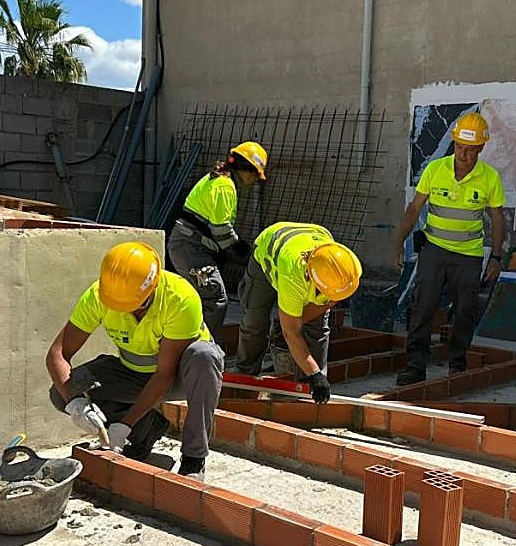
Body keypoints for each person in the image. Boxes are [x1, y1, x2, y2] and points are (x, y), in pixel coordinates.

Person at [46, 242, 224, 481]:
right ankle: (145, 429)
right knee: (61, 393)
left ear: (152, 288)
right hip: (135, 373)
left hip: (179, 377)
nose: (126, 312)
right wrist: (75, 403)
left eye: (132, 306)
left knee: (205, 356)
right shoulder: (100, 295)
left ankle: (194, 457)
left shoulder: (180, 298)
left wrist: (124, 425)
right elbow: (57, 354)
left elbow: (164, 376)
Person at [393, 110, 505, 386]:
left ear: (481, 148)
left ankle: (457, 365)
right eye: (459, 147)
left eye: (470, 149)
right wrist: (398, 243)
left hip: (468, 255)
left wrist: (496, 257)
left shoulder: (490, 178)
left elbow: (497, 218)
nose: (463, 154)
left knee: (465, 311)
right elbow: (414, 208)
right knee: (423, 307)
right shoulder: (435, 170)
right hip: (434, 250)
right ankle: (415, 366)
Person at [236, 222, 362, 404]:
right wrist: (289, 327)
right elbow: (291, 333)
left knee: (317, 328)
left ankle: (312, 388)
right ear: (312, 279)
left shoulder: (343, 269)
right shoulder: (293, 276)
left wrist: (315, 375)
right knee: (254, 320)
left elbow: (330, 300)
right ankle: (245, 375)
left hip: (312, 236)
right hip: (268, 251)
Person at [168, 141, 268, 340]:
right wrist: (239, 247)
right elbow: (221, 229)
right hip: (191, 248)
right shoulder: (225, 186)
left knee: (196, 299)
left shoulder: (219, 180)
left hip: (188, 246)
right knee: (215, 300)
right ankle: (202, 347)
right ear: (246, 169)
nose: (256, 180)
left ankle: (187, 344)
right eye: (256, 175)